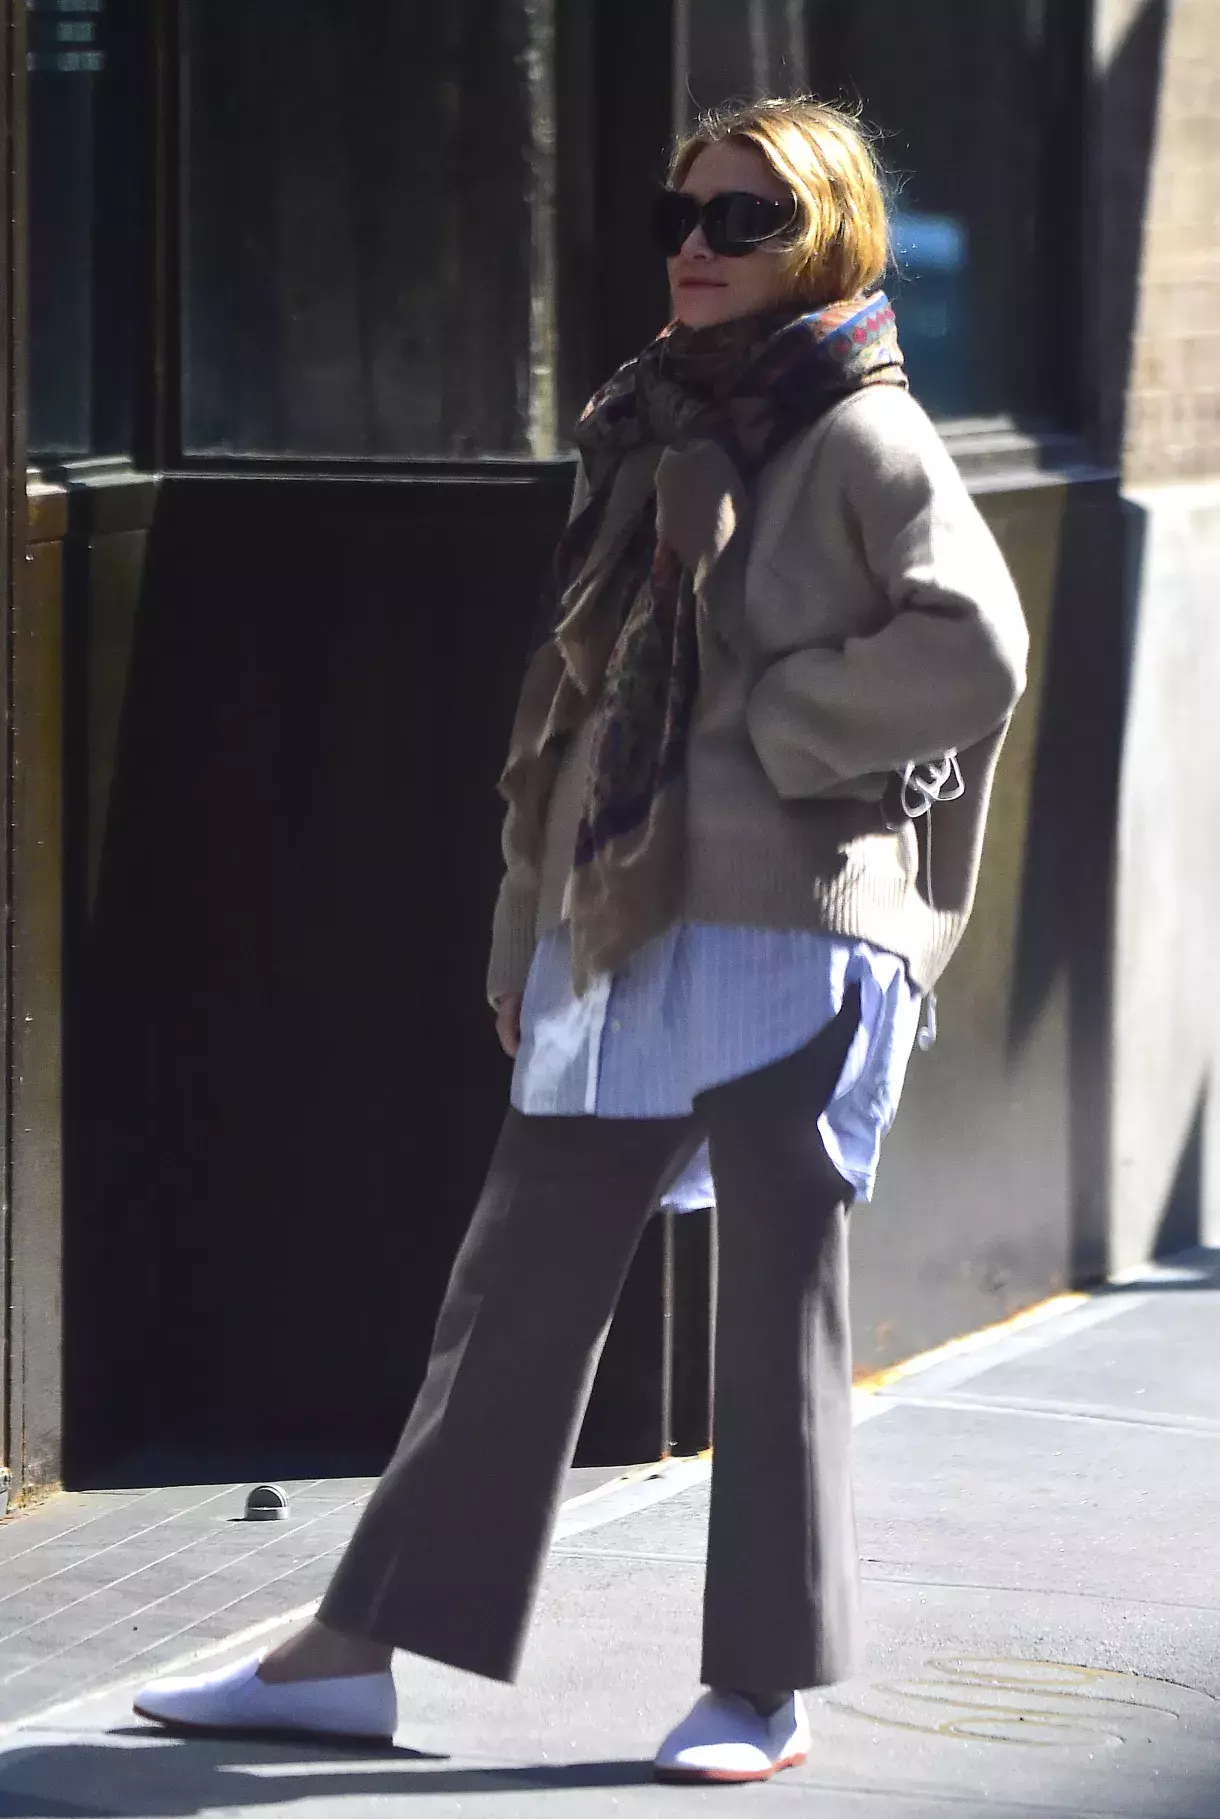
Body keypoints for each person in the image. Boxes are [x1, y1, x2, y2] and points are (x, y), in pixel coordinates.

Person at [132, 96, 1027, 1785]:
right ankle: (353, 1653)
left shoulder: (865, 434)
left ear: (826, 239)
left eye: (746, 218)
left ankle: (761, 1684)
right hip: (620, 920)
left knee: (778, 1311)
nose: (699, 245)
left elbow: (977, 651)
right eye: (685, 213)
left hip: (790, 939)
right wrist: (518, 922)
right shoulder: (641, 421)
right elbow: (571, 698)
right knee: (513, 1293)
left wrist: (777, 731)